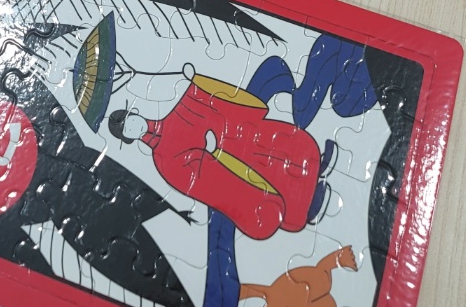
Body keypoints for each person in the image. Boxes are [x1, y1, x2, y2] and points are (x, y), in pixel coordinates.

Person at [108, 64, 325, 240]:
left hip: (240, 141)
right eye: (129, 130)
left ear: (134, 112)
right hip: (231, 167)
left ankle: (315, 164)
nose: (134, 127)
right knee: (262, 179)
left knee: (273, 145)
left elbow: (205, 101)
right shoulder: (163, 161)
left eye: (131, 121)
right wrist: (213, 155)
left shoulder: (178, 113)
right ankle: (307, 203)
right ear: (129, 139)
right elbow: (200, 184)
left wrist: (196, 80)